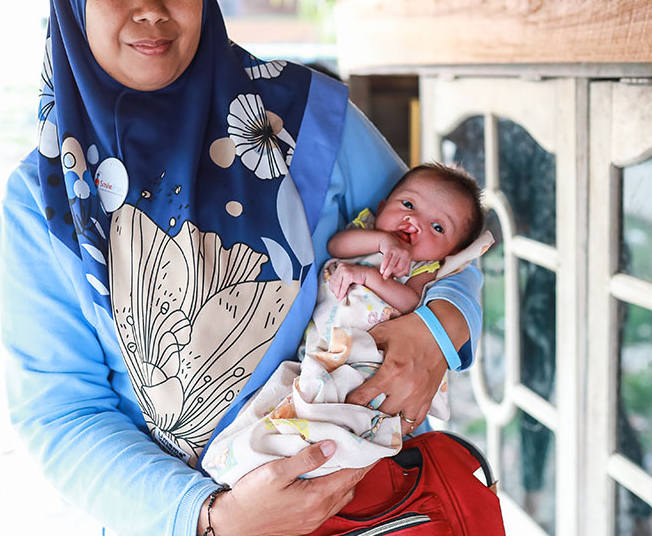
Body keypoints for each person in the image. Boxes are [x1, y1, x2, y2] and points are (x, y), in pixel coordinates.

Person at [0, 0, 484, 536]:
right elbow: (60, 410)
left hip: (374, 507)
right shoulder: (43, 200)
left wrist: (440, 327)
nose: (151, 5)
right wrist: (210, 517)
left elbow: (445, 238)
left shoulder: (306, 120)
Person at [204, 163, 492, 485]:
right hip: (318, 353)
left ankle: (273, 461)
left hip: (363, 354)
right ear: (382, 208)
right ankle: (238, 461)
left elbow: (411, 302)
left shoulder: (424, 267)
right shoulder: (367, 233)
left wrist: (369, 276)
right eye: (408, 205)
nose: (415, 223)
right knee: (283, 399)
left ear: (451, 251)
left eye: (438, 227)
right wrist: (380, 243)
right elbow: (336, 246)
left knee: (321, 410)